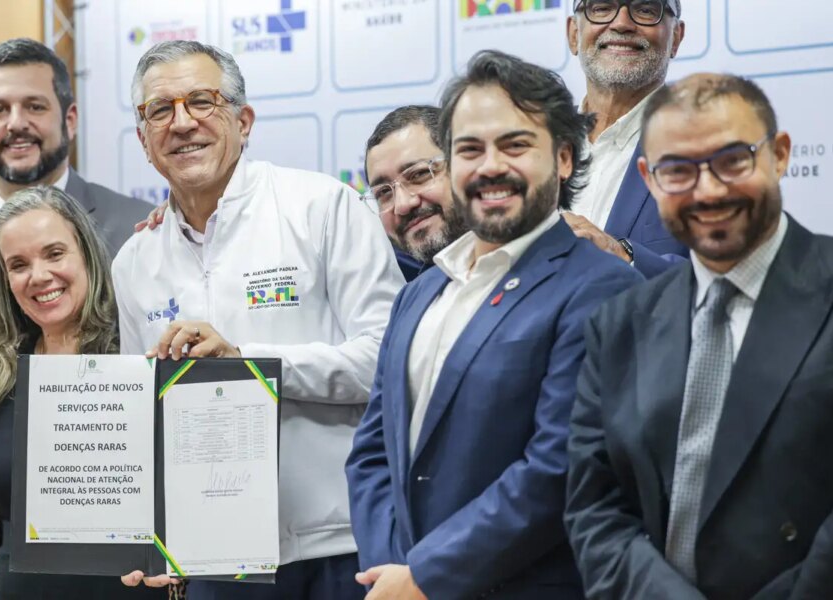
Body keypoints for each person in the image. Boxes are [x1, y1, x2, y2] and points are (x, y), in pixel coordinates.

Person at [346, 50, 642, 600]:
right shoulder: (418, 294)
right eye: (469, 149)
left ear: (564, 159)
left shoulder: (601, 287)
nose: (489, 167)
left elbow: (558, 469)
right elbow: (370, 455)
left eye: (515, 145)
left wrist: (425, 575)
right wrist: (392, 570)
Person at [114, 40, 403, 600]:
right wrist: (142, 535)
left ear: (243, 121)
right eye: (160, 110)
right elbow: (140, 418)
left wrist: (246, 364)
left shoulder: (322, 207)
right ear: (144, 141)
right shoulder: (133, 261)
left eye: (202, 101)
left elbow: (388, 364)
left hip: (341, 547)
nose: (182, 123)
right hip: (216, 562)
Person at [565, 73, 833, 599]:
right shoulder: (620, 325)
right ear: (649, 178)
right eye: (678, 170)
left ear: (779, 155)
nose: (708, 190)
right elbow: (596, 510)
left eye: (732, 160)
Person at [0, 37, 152, 541]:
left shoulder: (138, 227)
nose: (16, 123)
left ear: (70, 118)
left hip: (109, 526)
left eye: (35, 106)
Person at [0, 186, 172, 599]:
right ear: (5, 280)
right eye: (18, 265)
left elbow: (186, 503)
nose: (39, 276)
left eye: (54, 253)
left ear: (85, 253)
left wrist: (177, 562)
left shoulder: (142, 356)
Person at [563, 0, 688, 277]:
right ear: (573, 34)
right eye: (601, 7)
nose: (621, 24)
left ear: (676, 37)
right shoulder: (536, 147)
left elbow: (732, 279)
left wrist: (622, 257)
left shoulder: (710, 147)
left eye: (645, 9)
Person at [361, 106, 466, 281]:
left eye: (418, 174)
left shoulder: (514, 268)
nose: (403, 205)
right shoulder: (410, 294)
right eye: (384, 192)